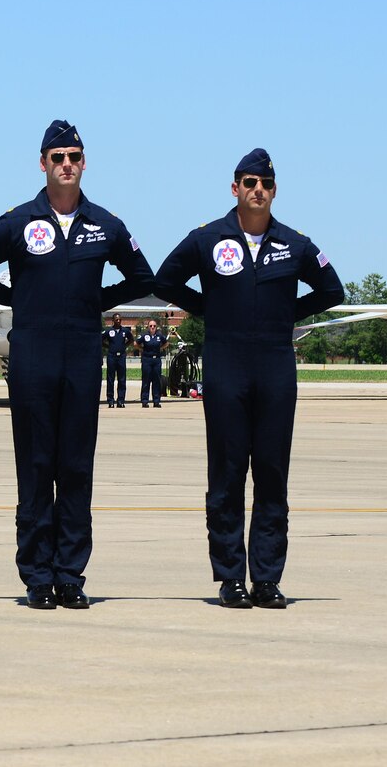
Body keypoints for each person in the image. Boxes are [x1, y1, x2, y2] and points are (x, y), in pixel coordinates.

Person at [0, 120, 155, 610]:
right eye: (57, 157)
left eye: (74, 156)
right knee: (36, 466)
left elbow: (142, 276)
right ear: (42, 164)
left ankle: (70, 574)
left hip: (83, 358)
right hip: (33, 359)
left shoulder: (105, 224)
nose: (66, 164)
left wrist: (95, 302)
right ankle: (37, 576)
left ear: (84, 163)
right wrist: (17, 299)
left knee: (76, 468)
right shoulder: (19, 221)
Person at [152, 148, 344, 609]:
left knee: (273, 475)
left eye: (266, 184)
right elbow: (164, 282)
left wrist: (284, 318)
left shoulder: (294, 244)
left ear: (274, 191)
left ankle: (267, 579)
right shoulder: (207, 238)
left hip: (276, 367)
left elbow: (332, 289)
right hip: (226, 366)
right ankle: (230, 578)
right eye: (250, 182)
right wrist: (210, 310)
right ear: (235, 188)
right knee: (227, 474)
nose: (258, 190)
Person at [102, 315, 132, 407]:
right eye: (116, 320)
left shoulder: (125, 331)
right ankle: (110, 400)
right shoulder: (109, 331)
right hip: (111, 356)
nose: (118, 321)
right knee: (110, 379)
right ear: (113, 321)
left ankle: (121, 400)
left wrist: (124, 346)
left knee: (122, 379)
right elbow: (101, 339)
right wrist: (109, 347)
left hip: (121, 357)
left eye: (119, 320)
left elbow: (131, 339)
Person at [138, 319, 168, 407]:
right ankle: (144, 401)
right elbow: (136, 343)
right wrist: (142, 349)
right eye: (151, 326)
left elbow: (166, 343)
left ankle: (156, 401)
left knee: (156, 381)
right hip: (147, 360)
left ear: (156, 327)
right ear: (148, 327)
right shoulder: (144, 336)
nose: (152, 327)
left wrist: (161, 348)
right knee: (146, 381)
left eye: (154, 326)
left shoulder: (159, 336)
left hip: (156, 360)